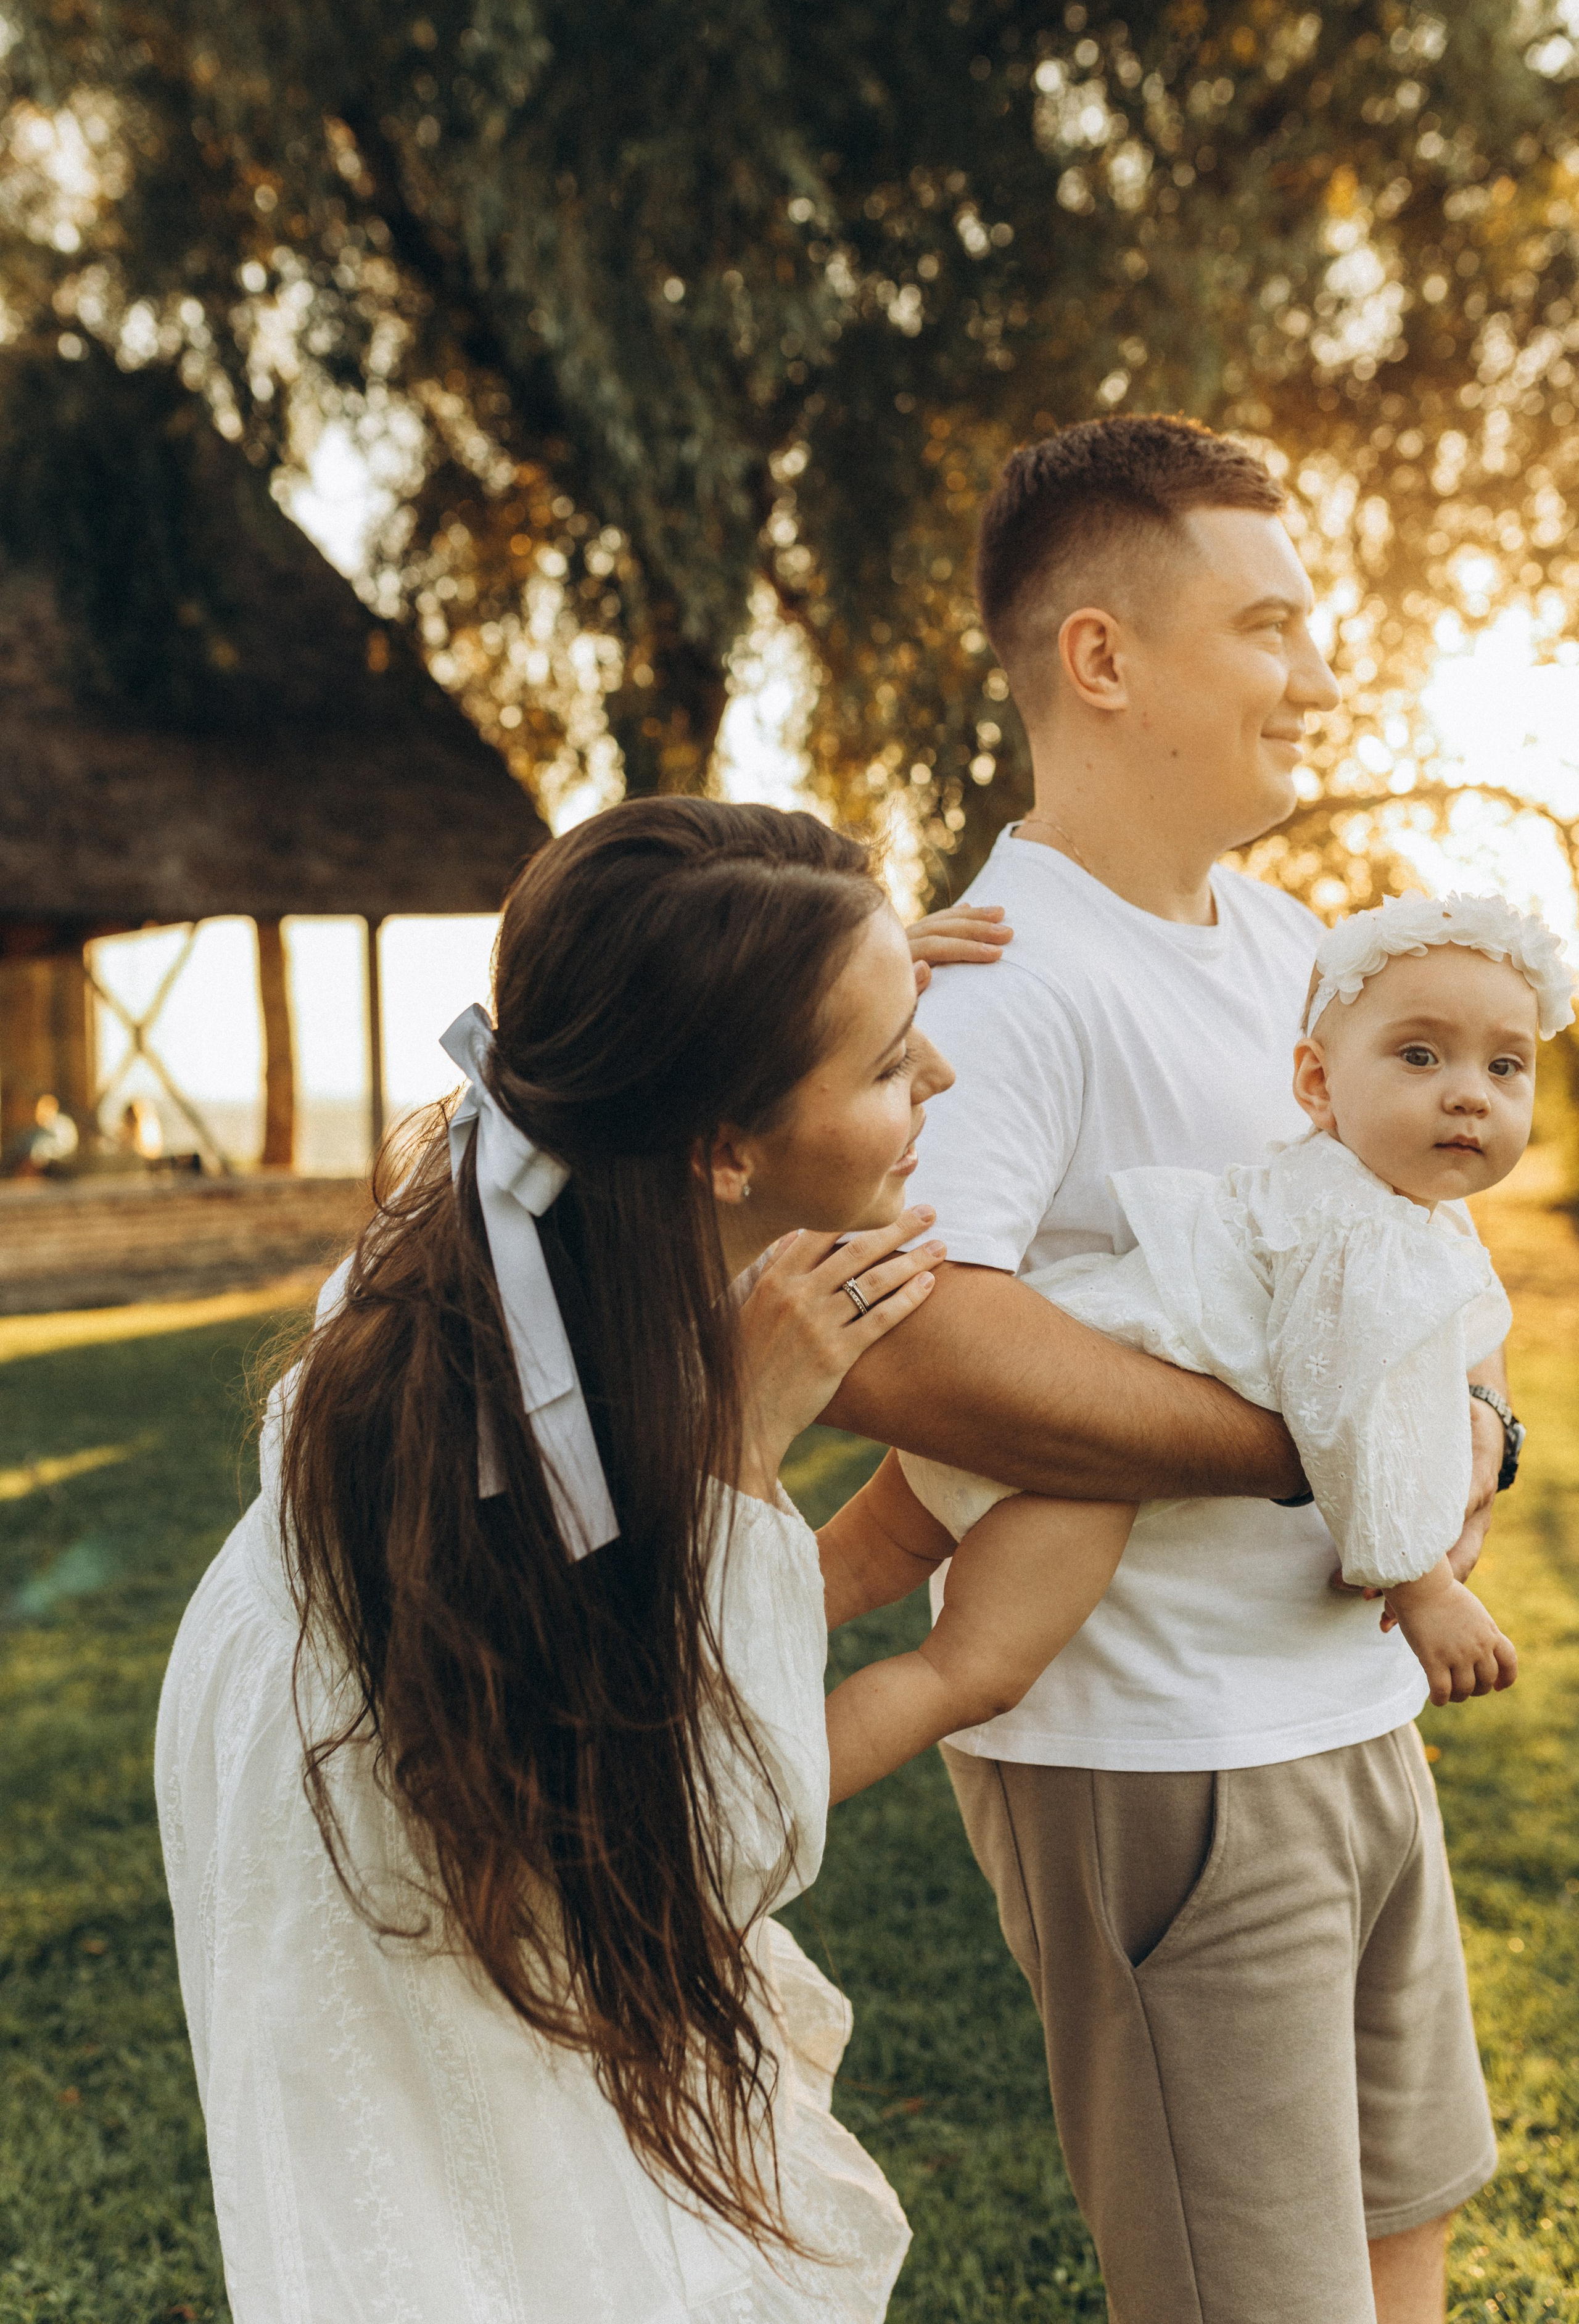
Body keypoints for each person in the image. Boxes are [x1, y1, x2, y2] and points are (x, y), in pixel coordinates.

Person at [827, 415, 1514, 2324]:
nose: (1319, 673)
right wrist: (1311, 1451)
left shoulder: (1300, 954)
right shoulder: (998, 976)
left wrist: (1470, 1422)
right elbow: (912, 1335)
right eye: (1272, 626)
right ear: (1104, 660)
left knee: (1402, 2251)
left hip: (1353, 1715)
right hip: (1166, 1761)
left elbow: (1393, 1259)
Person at [156, 797, 970, 2324]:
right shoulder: (509, 1420)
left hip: (385, 1756)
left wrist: (832, 982)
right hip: (376, 1843)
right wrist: (738, 1453)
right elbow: (710, 1844)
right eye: (884, 1061)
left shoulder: (543, 1191)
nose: (936, 1074)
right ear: (721, 1146)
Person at [818, 887, 1576, 1801]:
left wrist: (1481, 1413)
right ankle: (719, 1816)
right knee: (964, 1675)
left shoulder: (1369, 1198)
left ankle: (652, 1682)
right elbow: (1341, 1408)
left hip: (1055, 1361)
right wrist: (1424, 1591)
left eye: (1506, 1067)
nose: (1469, 1093)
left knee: (841, 1570)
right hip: (1079, 1465)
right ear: (1317, 1084)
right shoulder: (1359, 1234)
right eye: (1420, 1056)